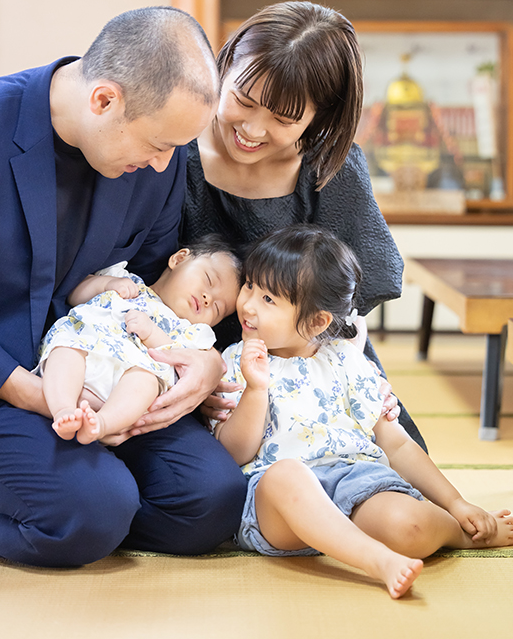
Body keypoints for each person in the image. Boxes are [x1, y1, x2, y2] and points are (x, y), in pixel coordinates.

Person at [0, 6, 247, 567]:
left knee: (210, 501)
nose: (167, 163)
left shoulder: (161, 162)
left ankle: (61, 496)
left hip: (95, 375)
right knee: (93, 511)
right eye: (159, 144)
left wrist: (201, 362)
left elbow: (150, 285)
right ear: (104, 100)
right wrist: (32, 392)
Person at [214, 226, 513, 599]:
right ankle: (377, 561)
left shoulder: (347, 360)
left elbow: (397, 445)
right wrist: (256, 389)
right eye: (250, 287)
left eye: (269, 299)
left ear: (318, 321)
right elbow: (233, 453)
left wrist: (456, 503)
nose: (248, 305)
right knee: (286, 476)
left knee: (411, 527)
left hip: (357, 483)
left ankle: (462, 534)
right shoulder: (233, 361)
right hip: (278, 505)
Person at [180, 0, 424, 448]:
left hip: (317, 374)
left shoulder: (332, 169)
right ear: (226, 63)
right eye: (242, 100)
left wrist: (350, 379)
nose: (252, 130)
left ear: (320, 116)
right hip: (197, 374)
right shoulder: (172, 149)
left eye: (283, 119)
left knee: (396, 486)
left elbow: (347, 310)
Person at [38, 238, 240, 444]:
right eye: (208, 280)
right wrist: (106, 284)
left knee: (147, 381)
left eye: (217, 309)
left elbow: (179, 365)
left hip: (121, 387)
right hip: (86, 348)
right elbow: (73, 294)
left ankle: (101, 424)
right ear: (179, 259)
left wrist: (151, 333)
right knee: (68, 347)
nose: (208, 299)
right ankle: (64, 409)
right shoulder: (127, 281)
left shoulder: (190, 334)